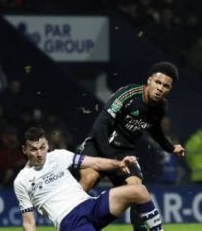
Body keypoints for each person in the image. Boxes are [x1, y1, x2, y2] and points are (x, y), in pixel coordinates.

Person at [77, 62, 185, 231]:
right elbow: (100, 127)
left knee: (137, 190)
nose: (160, 88)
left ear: (169, 90)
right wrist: (111, 160)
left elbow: (155, 130)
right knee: (87, 180)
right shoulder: (128, 94)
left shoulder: (161, 107)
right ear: (149, 81)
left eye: (165, 86)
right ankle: (70, 223)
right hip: (99, 145)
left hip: (124, 152)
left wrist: (171, 148)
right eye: (157, 82)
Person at [14, 127, 164, 231]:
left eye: (42, 147)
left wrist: (118, 164)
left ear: (47, 145)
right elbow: (29, 221)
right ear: (24, 150)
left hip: (91, 206)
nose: (39, 153)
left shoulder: (59, 156)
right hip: (71, 222)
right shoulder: (22, 180)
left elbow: (96, 162)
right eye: (33, 149)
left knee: (139, 191)